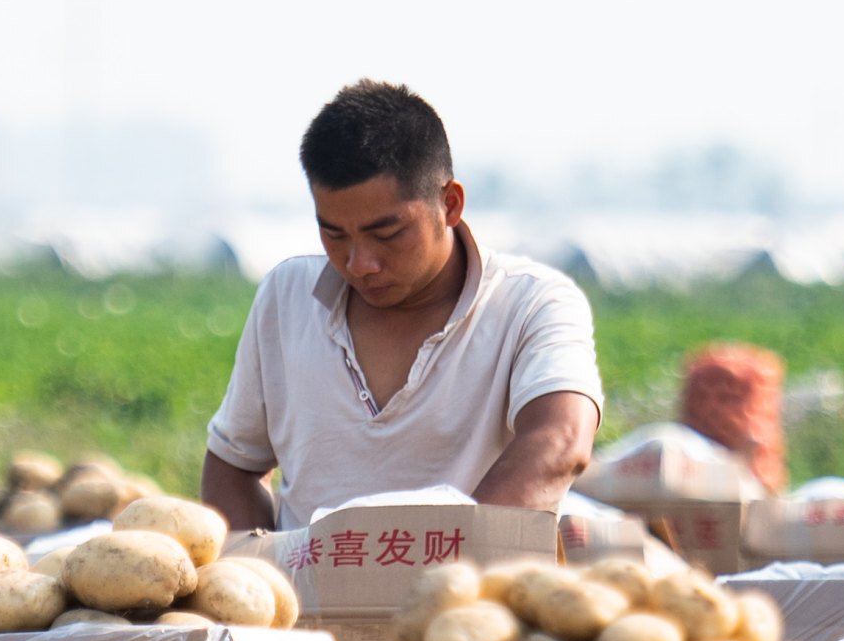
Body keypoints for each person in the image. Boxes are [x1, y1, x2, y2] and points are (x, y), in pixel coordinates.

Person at [201, 80, 601, 538]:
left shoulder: (532, 303)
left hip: (464, 600)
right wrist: (263, 578)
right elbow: (233, 463)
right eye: (334, 235)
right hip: (304, 604)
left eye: (387, 235)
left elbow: (560, 440)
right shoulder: (286, 297)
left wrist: (448, 567)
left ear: (449, 204)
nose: (360, 263)